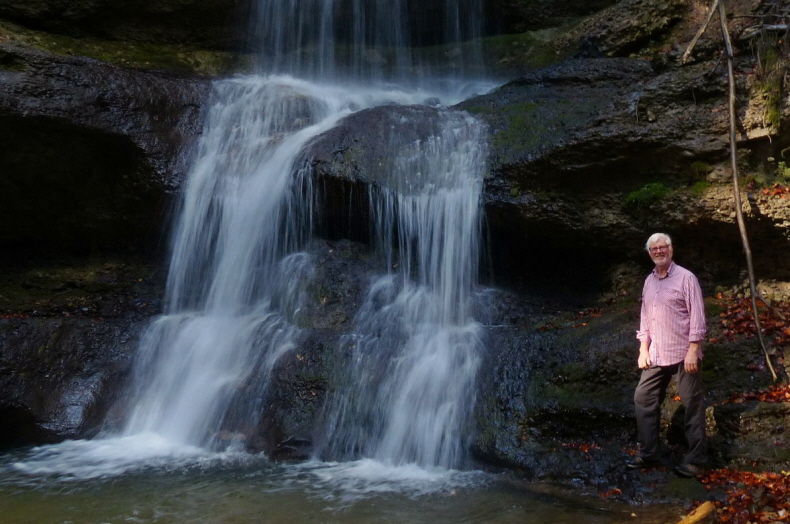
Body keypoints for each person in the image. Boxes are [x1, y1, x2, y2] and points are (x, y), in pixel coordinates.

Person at [627, 233, 707, 478]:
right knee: (643, 397)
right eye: (654, 249)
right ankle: (650, 453)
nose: (659, 251)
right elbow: (646, 316)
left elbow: (698, 316)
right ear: (649, 253)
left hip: (684, 353)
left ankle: (697, 460)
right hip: (656, 352)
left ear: (671, 250)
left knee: (692, 404)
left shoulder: (686, 278)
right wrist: (643, 349)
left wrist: (694, 349)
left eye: (663, 247)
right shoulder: (649, 281)